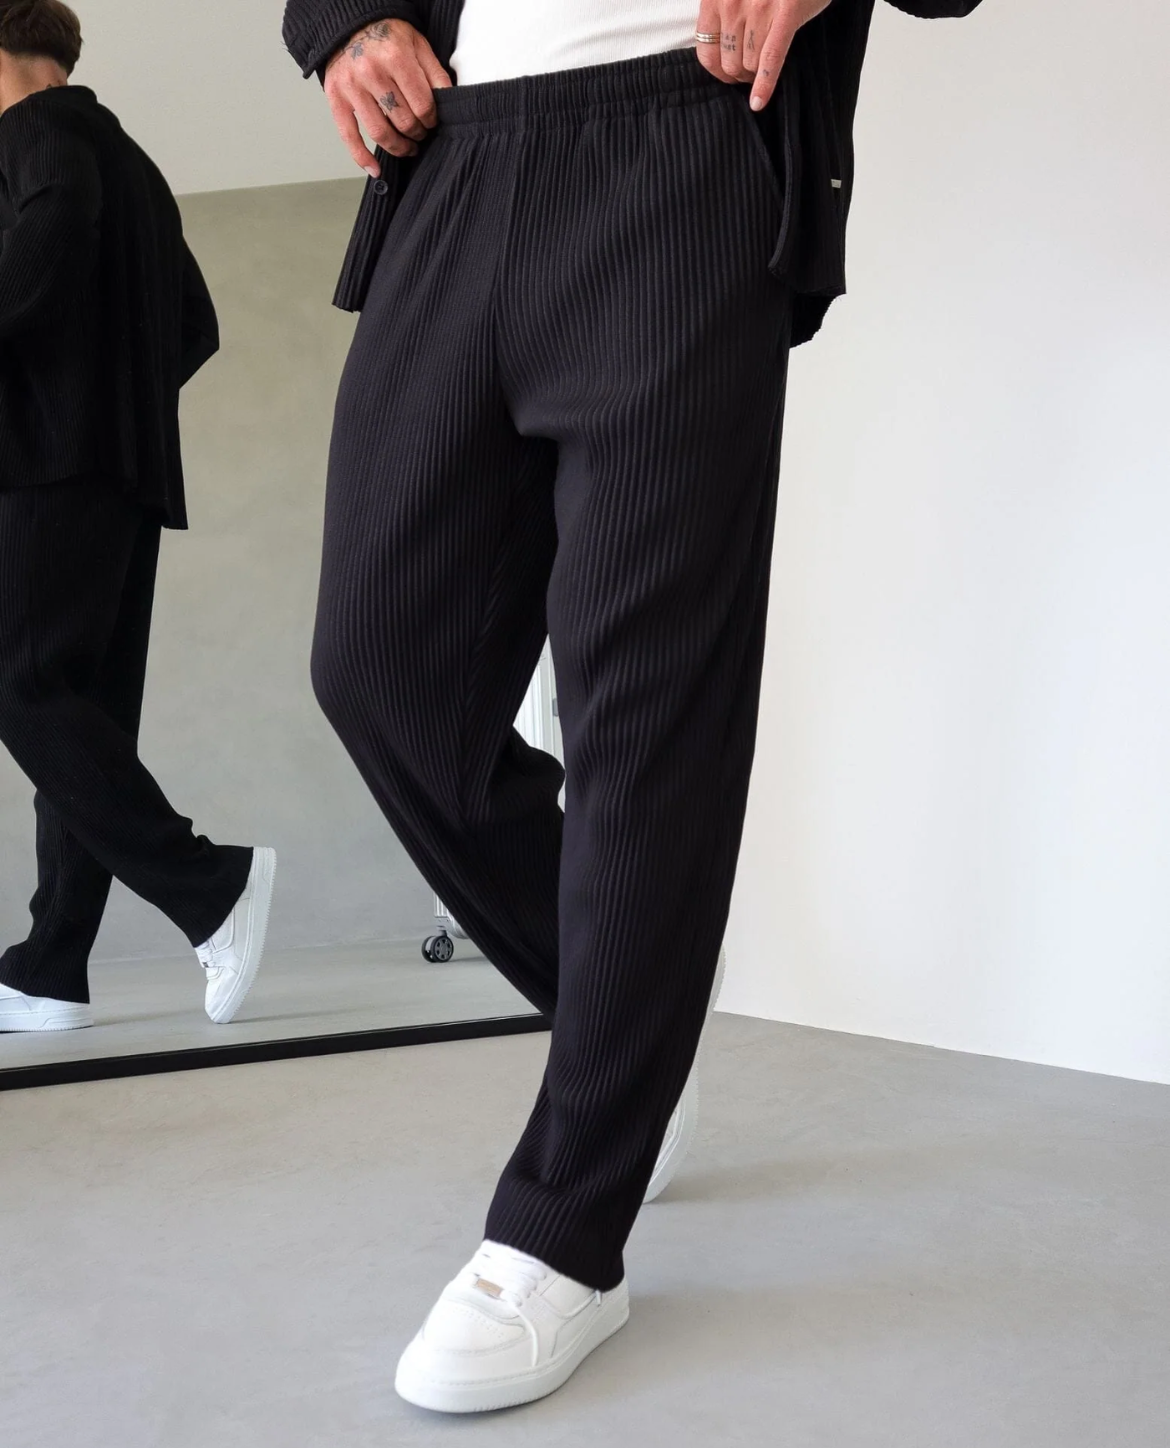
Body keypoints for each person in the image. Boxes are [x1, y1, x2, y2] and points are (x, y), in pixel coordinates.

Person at [283, 0, 983, 1413]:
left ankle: (564, 1231)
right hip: (456, 154)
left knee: (641, 718)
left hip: (683, 134)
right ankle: (625, 1037)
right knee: (378, 670)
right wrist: (342, 22)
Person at [0, 0, 276, 1034]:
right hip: (124, 477)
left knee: (22, 684)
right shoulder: (136, 167)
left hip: (46, 468)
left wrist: (59, 403)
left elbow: (44, 247)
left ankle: (210, 886)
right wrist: (114, 403)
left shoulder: (34, 128)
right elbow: (193, 324)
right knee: (84, 716)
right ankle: (50, 965)